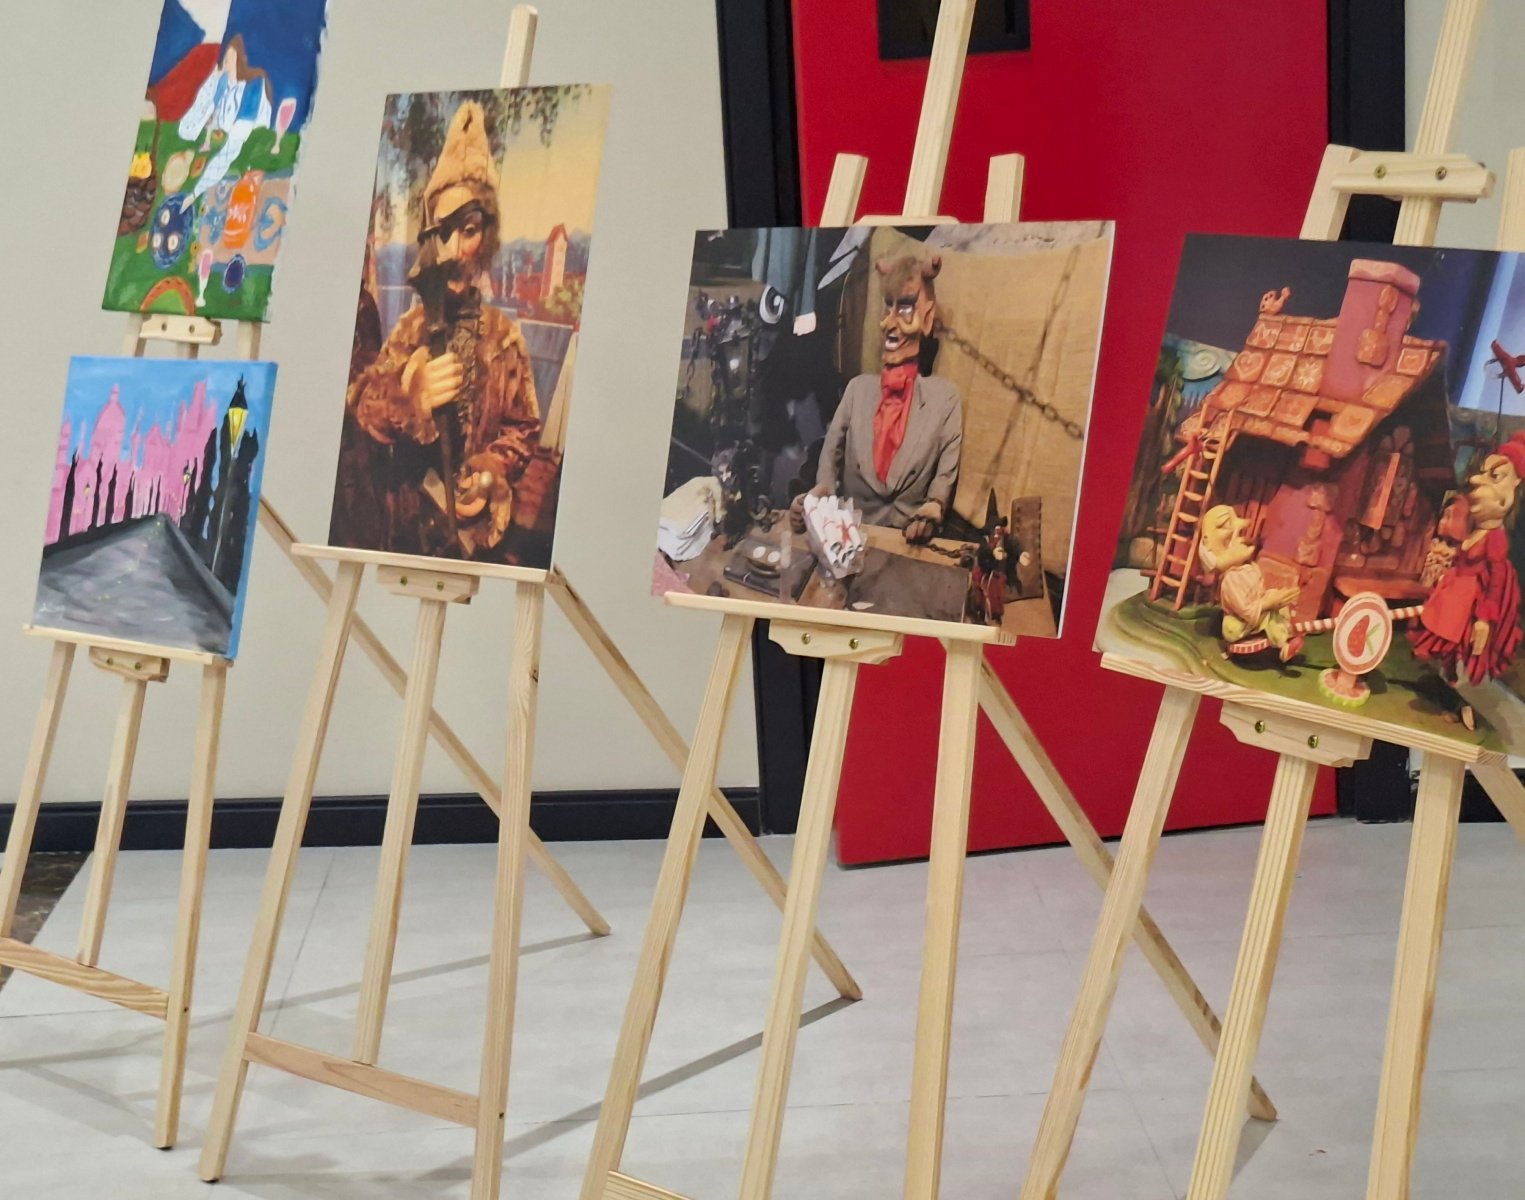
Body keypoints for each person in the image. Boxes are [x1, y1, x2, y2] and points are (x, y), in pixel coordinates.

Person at [342, 99, 540, 560]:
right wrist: (407, 396)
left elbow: (523, 428)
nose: (453, 249)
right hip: (407, 525)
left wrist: (490, 472)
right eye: (442, 231)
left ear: (485, 237)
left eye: (468, 230)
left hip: (474, 537)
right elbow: (362, 407)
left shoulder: (504, 338)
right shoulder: (410, 330)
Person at [792, 252, 960, 544]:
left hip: (906, 543)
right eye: (887, 307)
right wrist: (819, 494)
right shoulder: (857, 390)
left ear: (926, 317)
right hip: (851, 535)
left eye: (905, 308)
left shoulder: (944, 399)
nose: (890, 323)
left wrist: (935, 505)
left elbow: (945, 473)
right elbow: (831, 453)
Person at [1410, 432, 1525, 729]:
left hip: (1469, 610)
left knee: (1463, 660)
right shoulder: (1479, 532)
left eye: (1493, 476)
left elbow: (1496, 582)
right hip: (1454, 602)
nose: (1475, 480)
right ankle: (1452, 696)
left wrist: (1484, 619)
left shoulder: (1495, 540)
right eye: (1482, 473)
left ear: (1510, 495)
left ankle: (1467, 706)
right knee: (1447, 655)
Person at [1197, 504, 1303, 662]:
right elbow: (1245, 610)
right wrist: (1269, 603)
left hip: (1254, 610)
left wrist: (1274, 598)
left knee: (1275, 598)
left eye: (1236, 520)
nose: (1239, 527)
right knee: (1268, 614)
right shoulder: (1231, 579)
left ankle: (1286, 630)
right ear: (1209, 541)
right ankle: (1283, 646)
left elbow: (1259, 593)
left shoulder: (1247, 567)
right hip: (1238, 623)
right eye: (1226, 524)